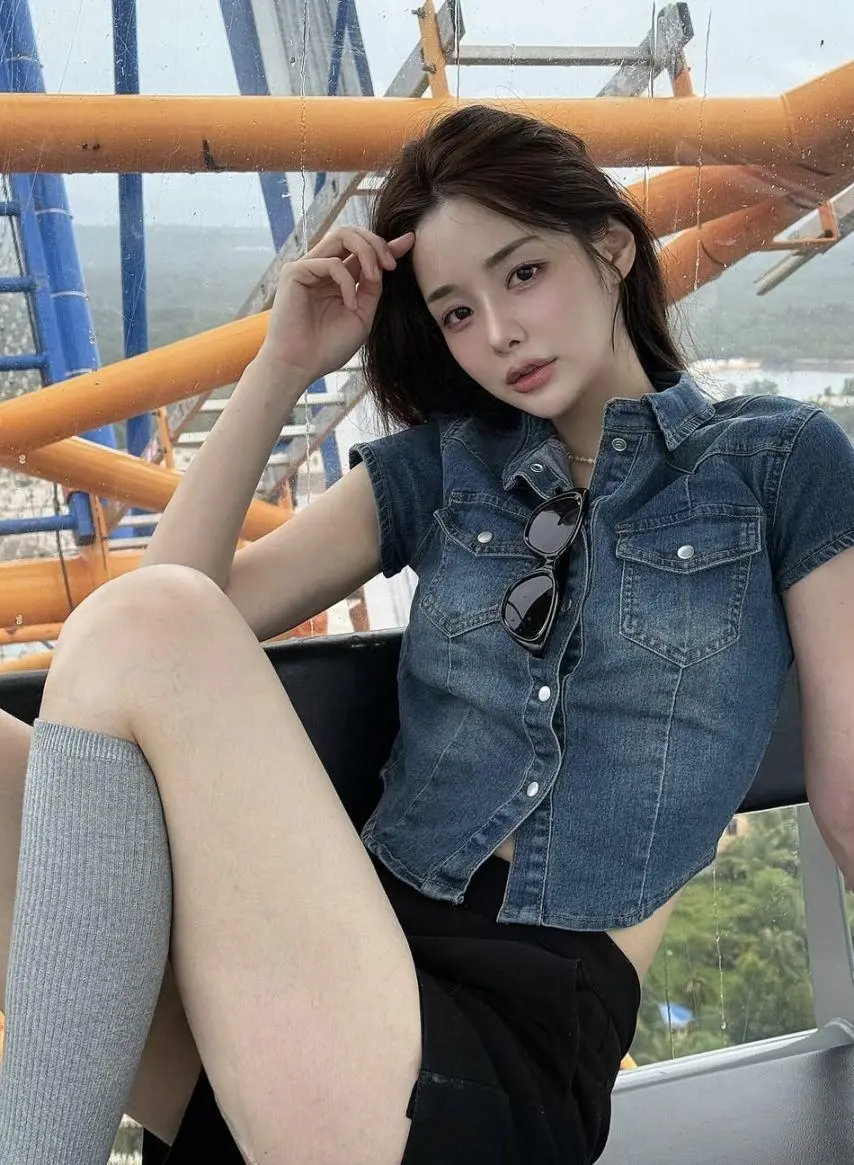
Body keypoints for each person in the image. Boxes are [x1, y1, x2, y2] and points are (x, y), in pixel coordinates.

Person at [1, 104, 854, 1165]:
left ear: (609, 246)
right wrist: (282, 364)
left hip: (500, 1050)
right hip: (316, 981)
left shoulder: (776, 463)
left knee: (148, 619)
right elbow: (160, 613)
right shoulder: (447, 468)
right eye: (455, 311)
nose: (496, 332)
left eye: (522, 274)